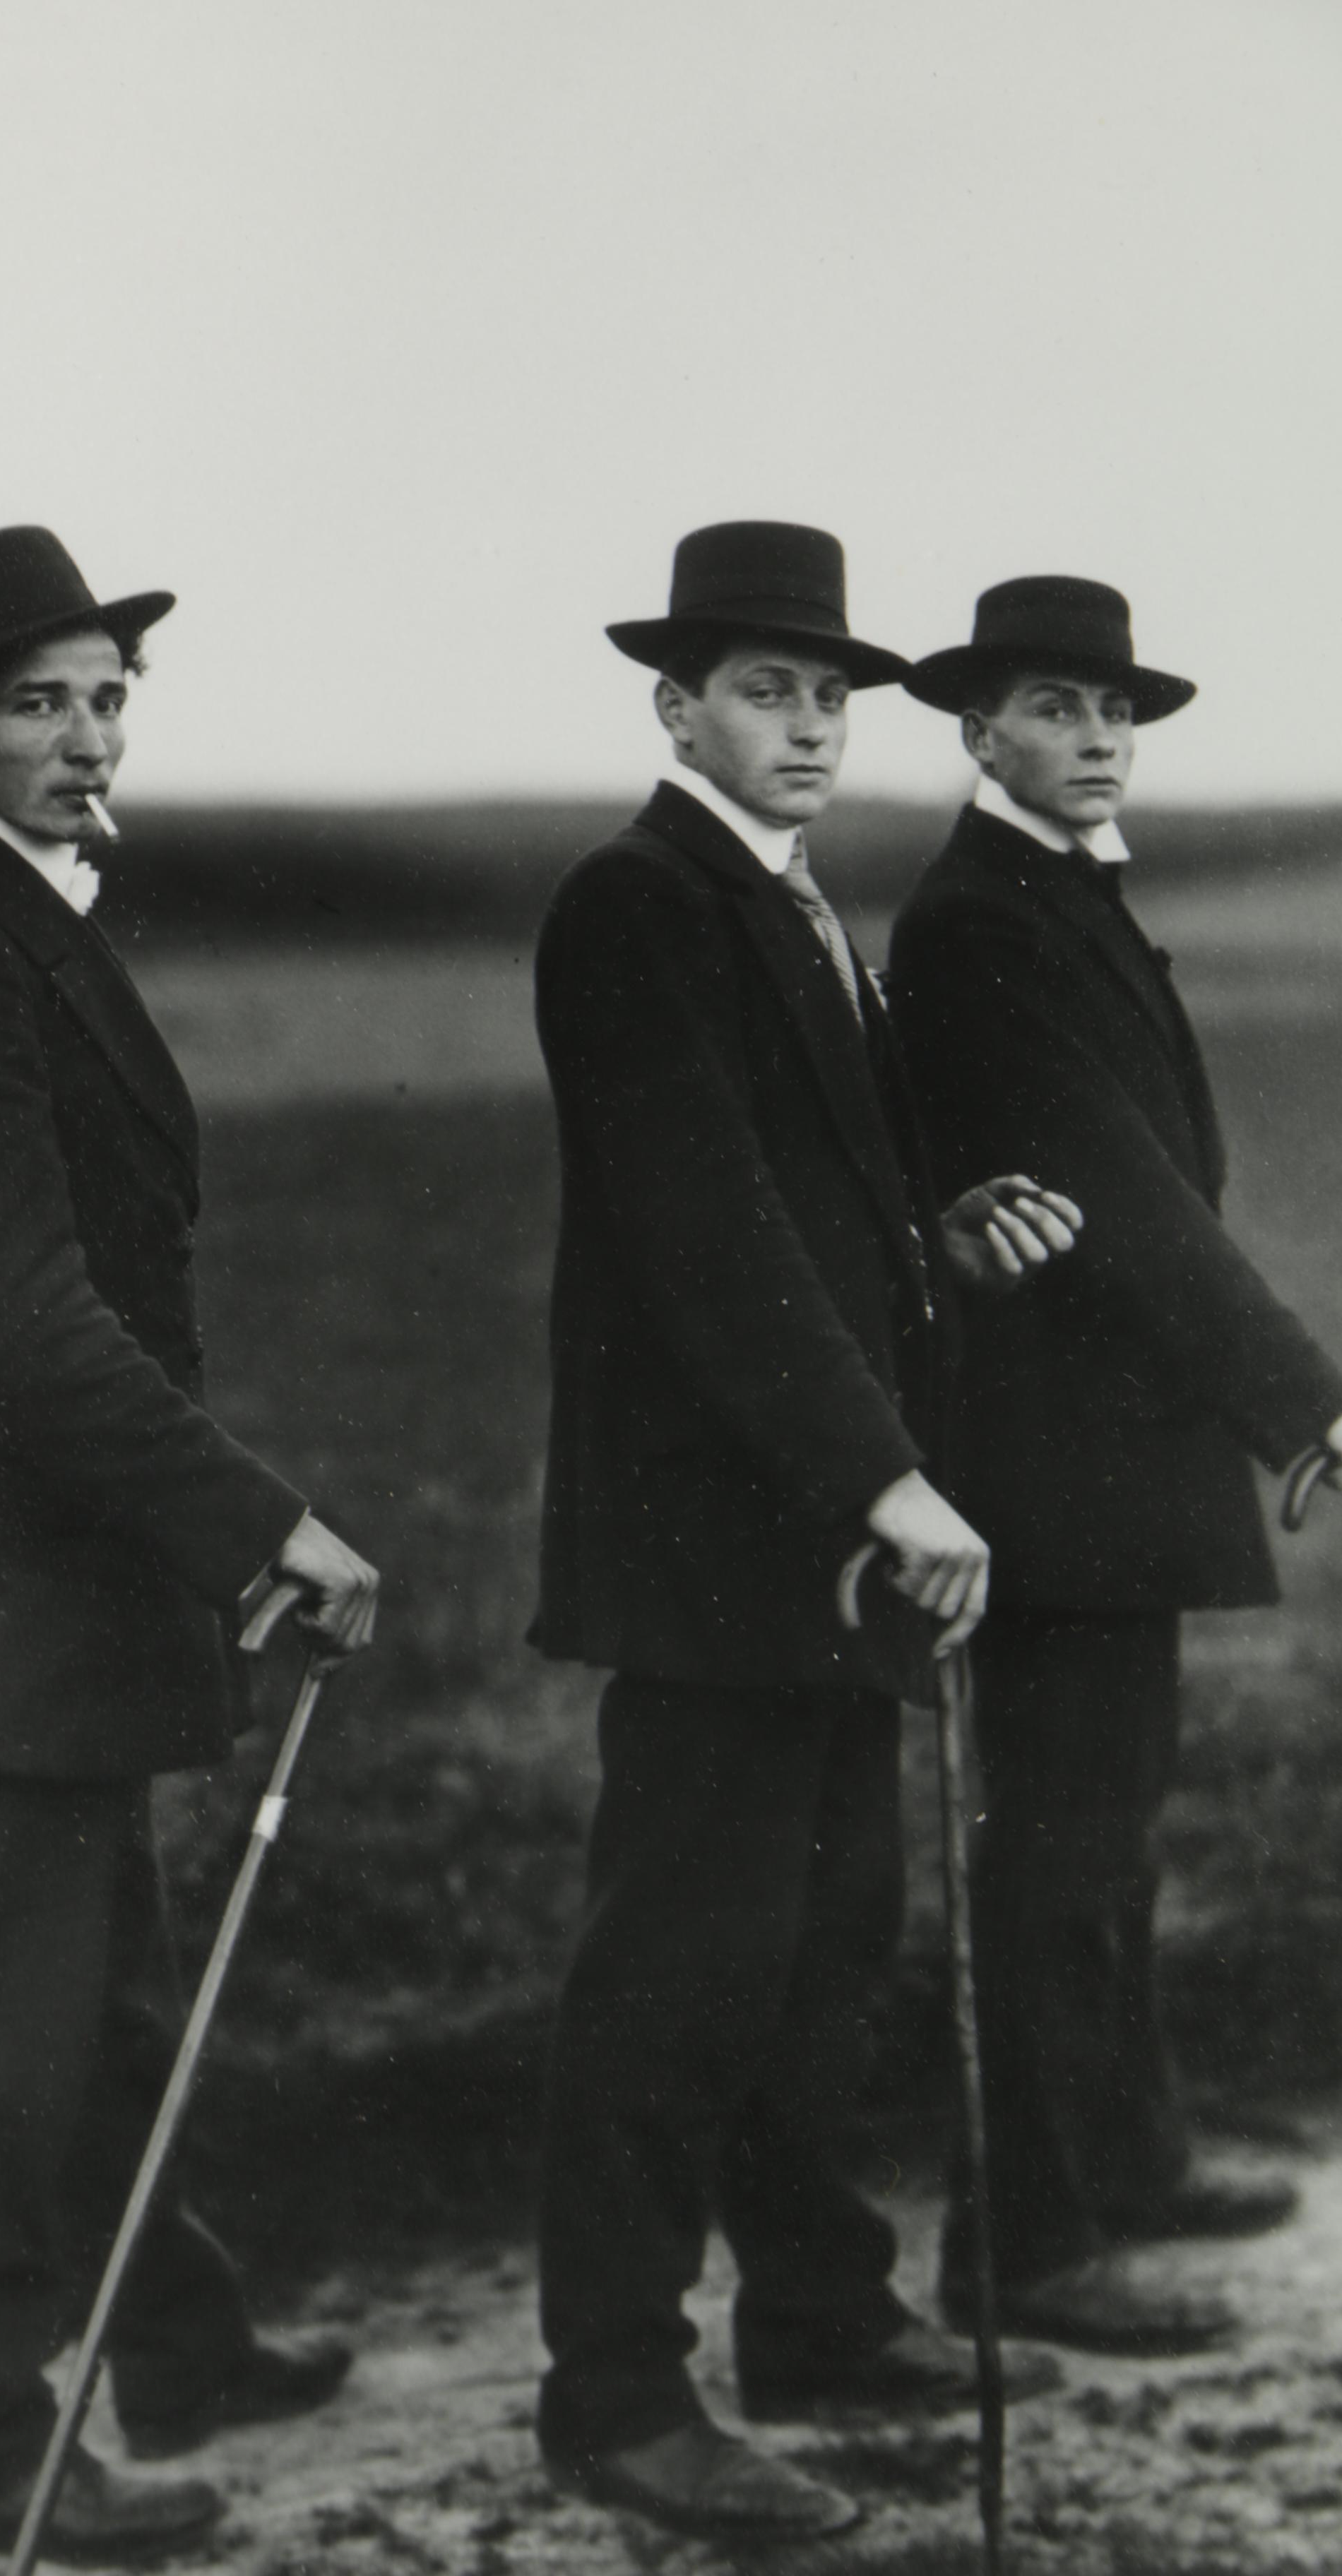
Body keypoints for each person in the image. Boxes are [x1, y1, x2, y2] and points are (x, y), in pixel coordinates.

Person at [0, 525, 379, 2561]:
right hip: (5, 1583)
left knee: (113, 1993)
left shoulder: (15, 913)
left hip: (48, 1573)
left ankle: (186, 2341)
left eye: (107, 697)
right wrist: (265, 1527)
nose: (87, 736)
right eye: (40, 702)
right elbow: (24, 1322)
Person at [529, 521, 1074, 2546]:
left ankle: (823, 2316)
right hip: (716, 1549)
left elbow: (811, 1213)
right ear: (678, 706)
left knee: (824, 1946)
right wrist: (888, 1474)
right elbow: (707, 1233)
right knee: (675, 1971)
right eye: (771, 688)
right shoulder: (634, 904)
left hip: (816, 1537)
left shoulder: (789, 898)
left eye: (834, 694)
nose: (814, 722)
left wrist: (936, 1245)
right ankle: (616, 2398)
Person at [888, 575, 1342, 2354]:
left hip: (1109, 1454)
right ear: (977, 727)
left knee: (1112, 1829)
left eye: (1114, 714)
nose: (1095, 742)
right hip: (1048, 1465)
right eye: (1058, 711)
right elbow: (1121, 1200)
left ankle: (1129, 2158)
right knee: (1056, 1847)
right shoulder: (979, 922)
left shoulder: (1054, 894)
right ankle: (1025, 2241)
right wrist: (1303, 1402)